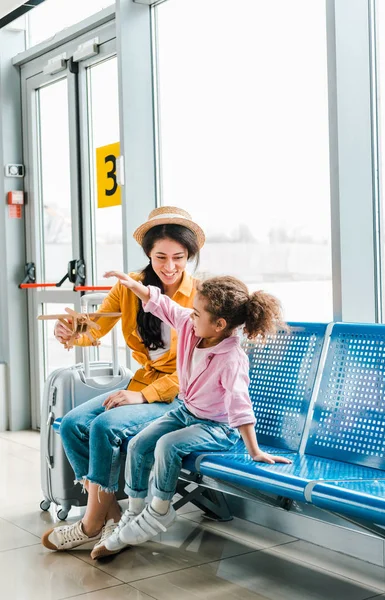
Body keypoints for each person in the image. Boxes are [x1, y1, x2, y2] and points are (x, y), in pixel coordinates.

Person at [92, 271, 292, 557]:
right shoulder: (190, 326)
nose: (191, 315)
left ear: (219, 324)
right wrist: (138, 288)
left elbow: (240, 405)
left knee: (167, 445)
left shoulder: (232, 359)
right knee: (139, 443)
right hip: (186, 412)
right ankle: (135, 510)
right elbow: (166, 306)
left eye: (197, 313)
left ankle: (159, 509)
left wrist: (255, 450)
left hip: (217, 427)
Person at [42, 206, 205, 555]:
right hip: (143, 385)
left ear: (189, 255)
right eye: (161, 256)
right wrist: (71, 331)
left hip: (179, 395)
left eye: (179, 257)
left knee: (104, 427)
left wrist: (143, 396)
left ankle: (90, 522)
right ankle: (110, 514)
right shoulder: (129, 287)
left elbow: (198, 367)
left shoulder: (202, 296)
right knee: (70, 424)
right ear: (148, 253)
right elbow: (95, 327)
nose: (170, 266)